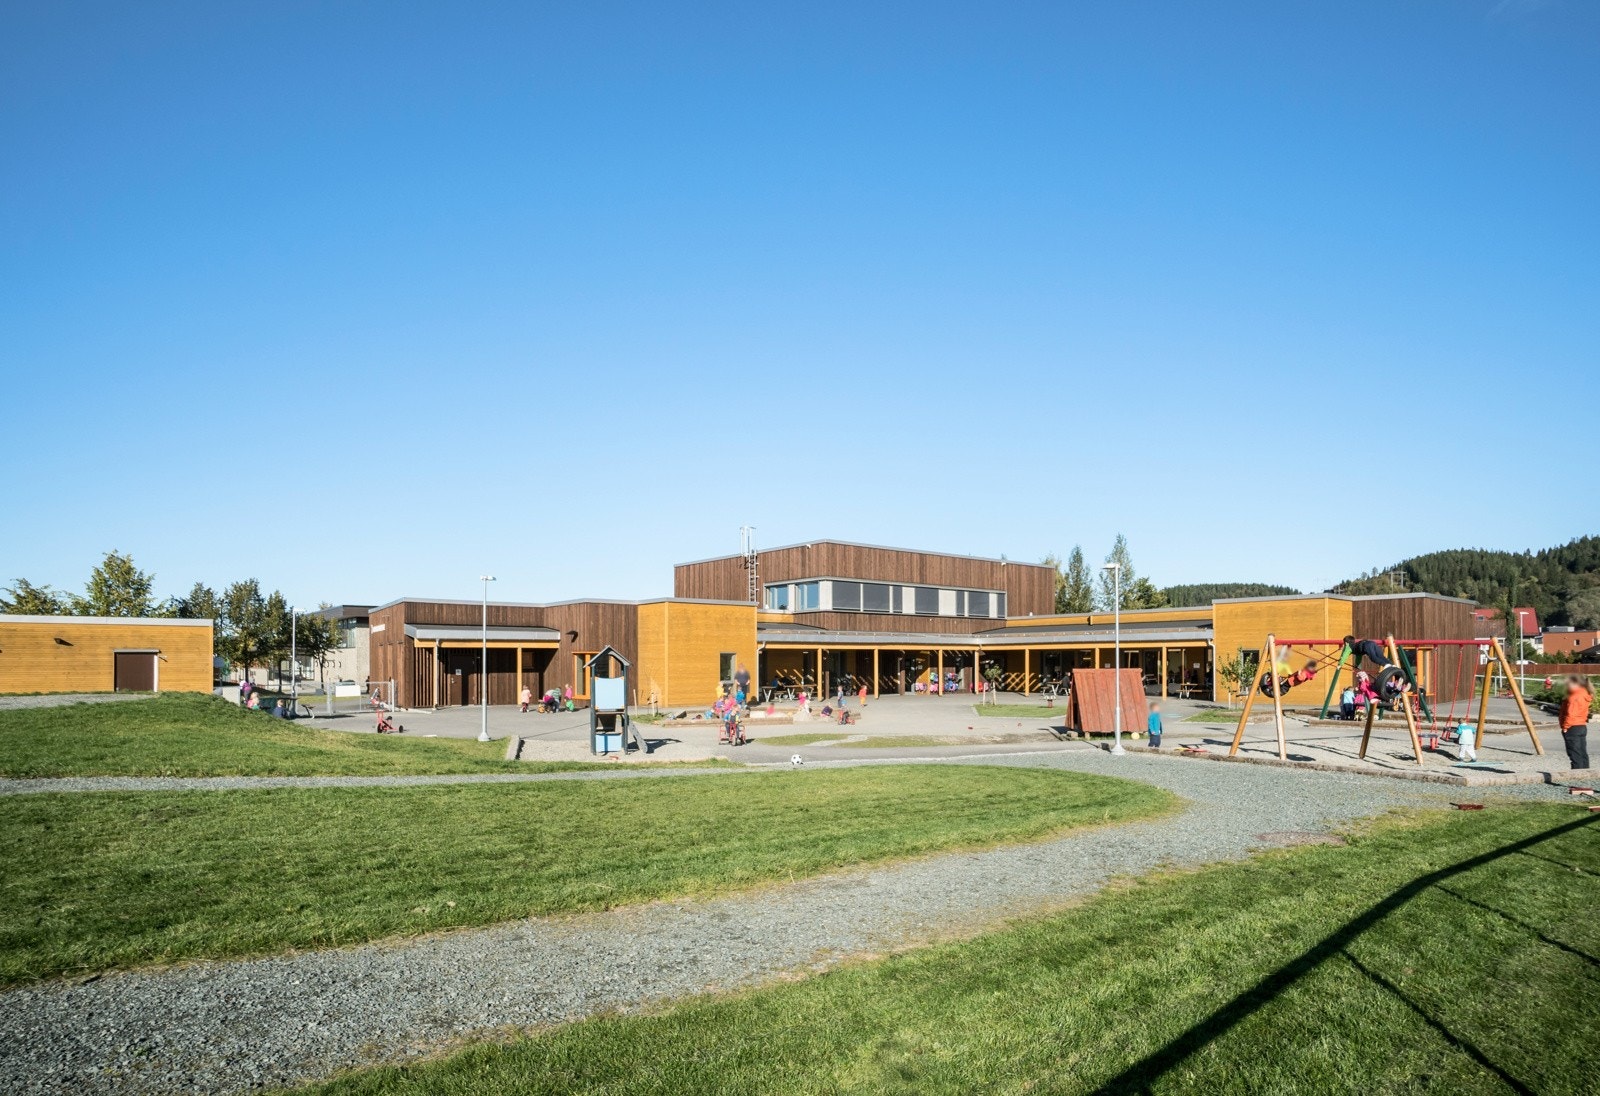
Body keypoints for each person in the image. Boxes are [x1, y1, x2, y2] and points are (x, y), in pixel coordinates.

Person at [1559, 675, 1592, 770]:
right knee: (1582, 753)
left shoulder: (1575, 695)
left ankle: (1577, 781)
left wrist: (1565, 726)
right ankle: (1585, 777)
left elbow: (1571, 713)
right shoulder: (1585, 693)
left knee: (1575, 755)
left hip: (1572, 726)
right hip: (1581, 725)